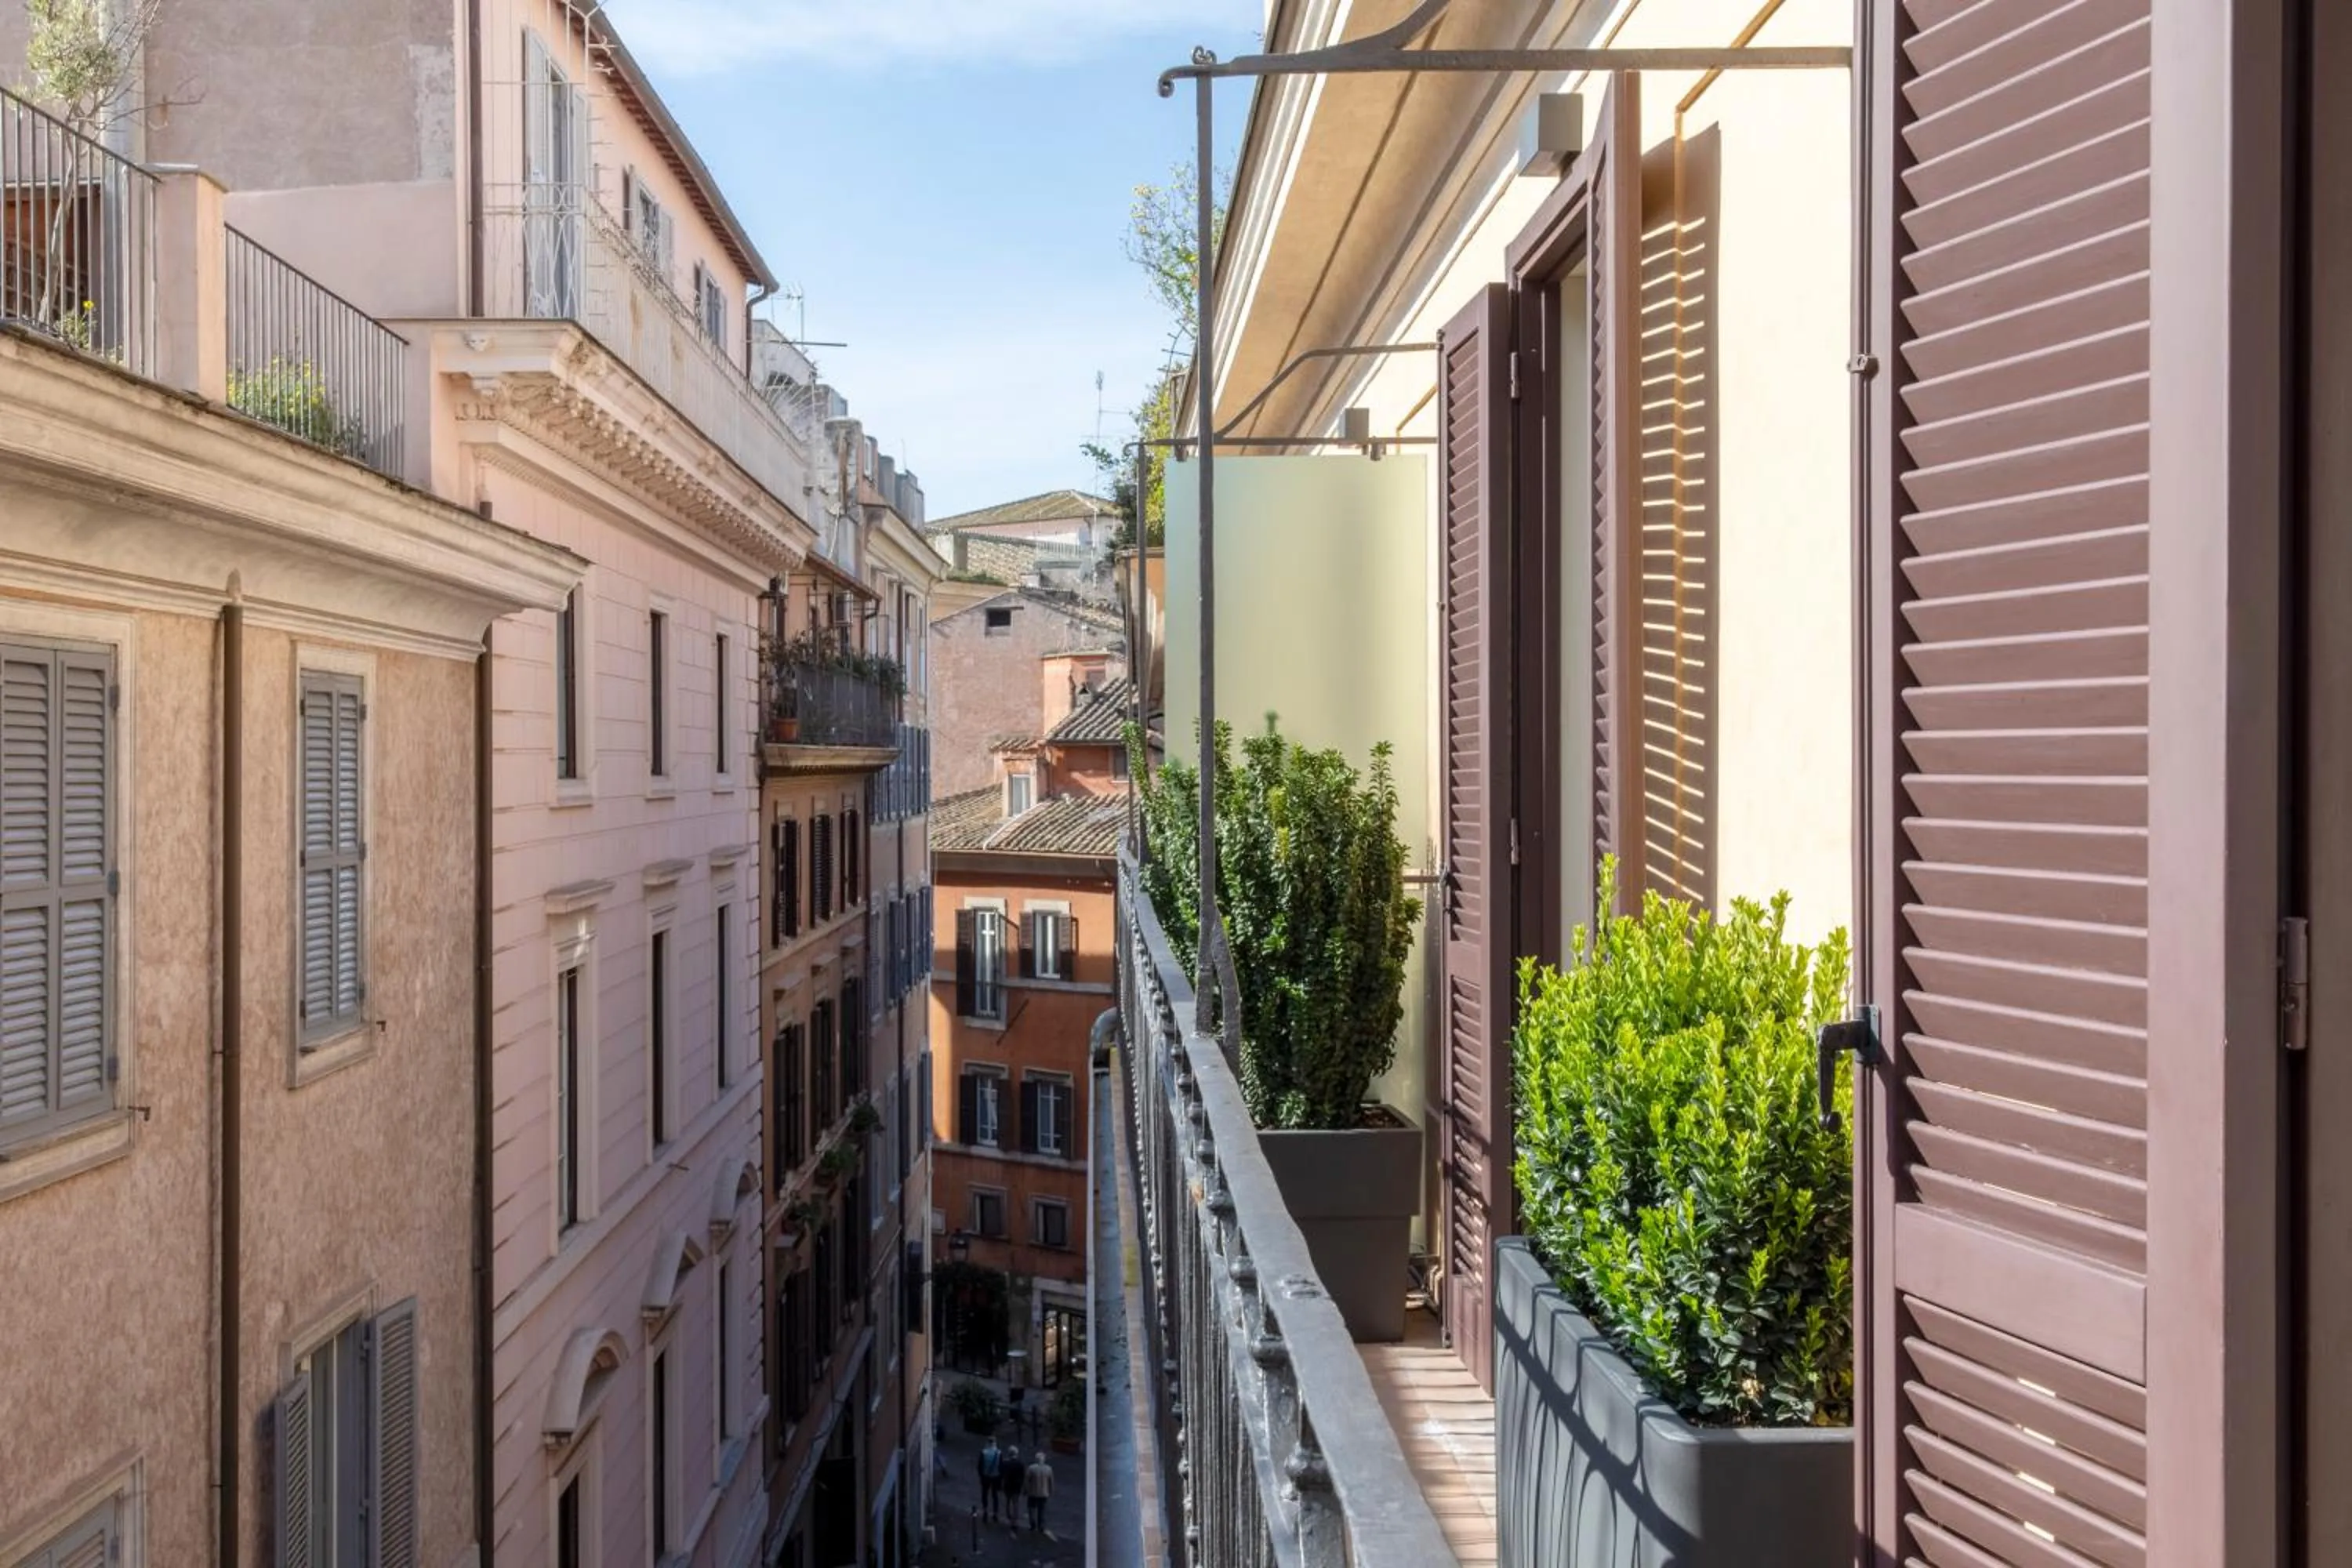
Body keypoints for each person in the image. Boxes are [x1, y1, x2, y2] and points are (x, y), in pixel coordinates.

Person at [1023, 1450, 1054, 1533]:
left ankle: (1032, 1525)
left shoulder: (1031, 1468)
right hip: (1044, 1493)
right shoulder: (1048, 1469)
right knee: (1042, 1510)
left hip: (1032, 1492)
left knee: (1032, 1509)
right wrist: (1051, 1491)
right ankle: (1041, 1526)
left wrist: (1025, 1490)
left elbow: (1027, 1481)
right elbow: (1051, 1481)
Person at [977, 1437, 1003, 1522]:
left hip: (985, 1476)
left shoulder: (984, 1452)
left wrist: (981, 1475)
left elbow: (979, 1466)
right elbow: (1001, 1466)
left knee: (985, 1494)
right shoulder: (999, 1453)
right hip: (995, 1476)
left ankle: (985, 1510)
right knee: (995, 1495)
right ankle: (995, 1513)